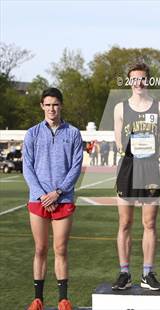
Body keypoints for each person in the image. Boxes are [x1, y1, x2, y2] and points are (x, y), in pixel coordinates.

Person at [23, 88, 83, 310]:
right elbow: (27, 167)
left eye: (55, 104)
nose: (51, 109)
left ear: (61, 105)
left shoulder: (74, 133)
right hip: (38, 200)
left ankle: (63, 299)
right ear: (42, 106)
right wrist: (42, 194)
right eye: (47, 104)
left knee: (60, 249)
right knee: (40, 248)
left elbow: (76, 167)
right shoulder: (32, 133)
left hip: (63, 198)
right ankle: (37, 299)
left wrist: (58, 192)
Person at [112, 62, 160, 291]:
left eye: (143, 78)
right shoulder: (119, 108)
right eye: (134, 79)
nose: (139, 82)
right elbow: (118, 140)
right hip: (127, 167)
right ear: (129, 81)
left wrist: (149, 152)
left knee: (149, 223)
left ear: (149, 80)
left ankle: (147, 274)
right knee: (125, 222)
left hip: (150, 169)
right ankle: (124, 273)